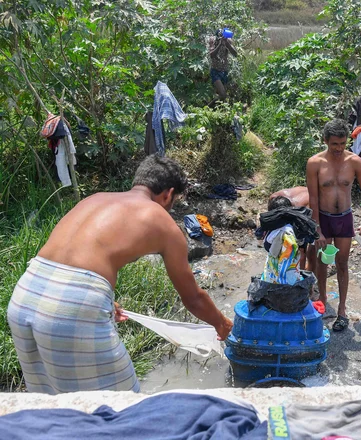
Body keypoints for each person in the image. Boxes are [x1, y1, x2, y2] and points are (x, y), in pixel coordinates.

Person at [7, 156, 233, 394]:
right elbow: (194, 298)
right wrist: (221, 323)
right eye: (173, 202)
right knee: (123, 407)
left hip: (26, 293)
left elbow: (68, 261)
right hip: (72, 307)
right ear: (168, 194)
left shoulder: (95, 199)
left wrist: (99, 297)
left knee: (49, 406)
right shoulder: (163, 223)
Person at [306, 119, 361, 332]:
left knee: (342, 263)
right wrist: (316, 229)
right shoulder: (315, 163)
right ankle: (324, 301)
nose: (338, 148)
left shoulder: (354, 162)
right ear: (325, 141)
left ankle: (342, 310)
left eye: (343, 143)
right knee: (323, 262)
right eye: (334, 144)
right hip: (324, 220)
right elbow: (313, 198)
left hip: (344, 219)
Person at [268, 187, 315, 271]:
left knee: (299, 250)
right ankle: (300, 275)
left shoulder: (275, 197)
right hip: (296, 211)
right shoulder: (274, 198)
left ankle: (300, 273)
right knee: (299, 251)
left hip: (295, 212)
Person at [208, 28, 238, 102]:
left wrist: (227, 44)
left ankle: (214, 111)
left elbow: (235, 54)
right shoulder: (213, 41)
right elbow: (211, 55)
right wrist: (219, 44)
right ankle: (208, 107)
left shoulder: (228, 41)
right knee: (223, 95)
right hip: (215, 71)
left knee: (222, 96)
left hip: (224, 71)